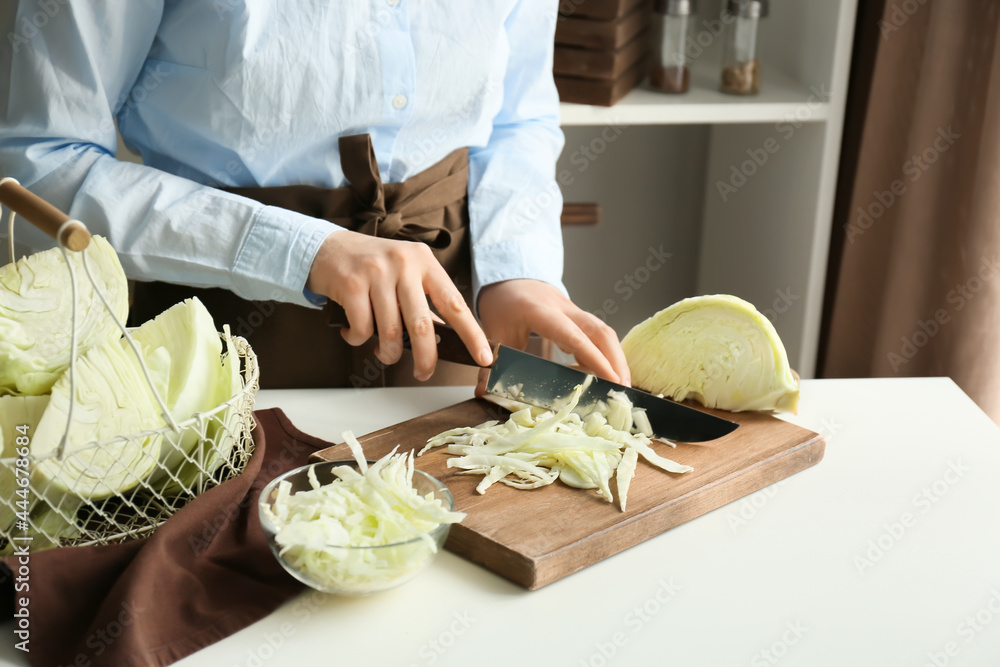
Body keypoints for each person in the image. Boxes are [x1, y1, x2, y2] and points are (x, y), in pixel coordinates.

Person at [0, 2, 630, 389]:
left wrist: (518, 272)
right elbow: (36, 165)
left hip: (451, 317)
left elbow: (517, 119)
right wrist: (300, 250)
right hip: (217, 331)